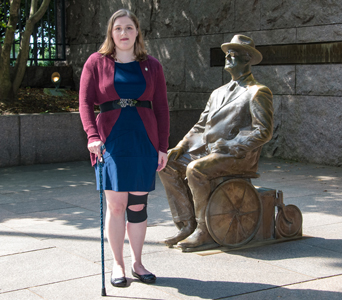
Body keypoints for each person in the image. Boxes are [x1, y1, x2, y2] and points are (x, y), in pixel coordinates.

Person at [79, 9, 169, 287]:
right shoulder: (96, 62)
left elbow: (163, 109)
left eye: (129, 28)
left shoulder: (152, 65)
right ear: (111, 33)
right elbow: (84, 103)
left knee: (138, 205)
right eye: (118, 28)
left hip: (144, 139)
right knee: (116, 206)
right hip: (111, 140)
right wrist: (92, 136)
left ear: (137, 32)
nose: (124, 33)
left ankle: (137, 262)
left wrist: (163, 146)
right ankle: (117, 265)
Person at [159, 34, 273, 251]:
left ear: (247, 59)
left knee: (195, 169)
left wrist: (232, 145)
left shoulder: (258, 92)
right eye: (227, 54)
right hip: (207, 152)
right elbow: (200, 126)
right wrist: (181, 147)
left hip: (235, 156)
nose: (228, 57)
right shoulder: (217, 93)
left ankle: (204, 230)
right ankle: (186, 224)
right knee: (166, 164)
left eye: (234, 54)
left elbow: (263, 131)